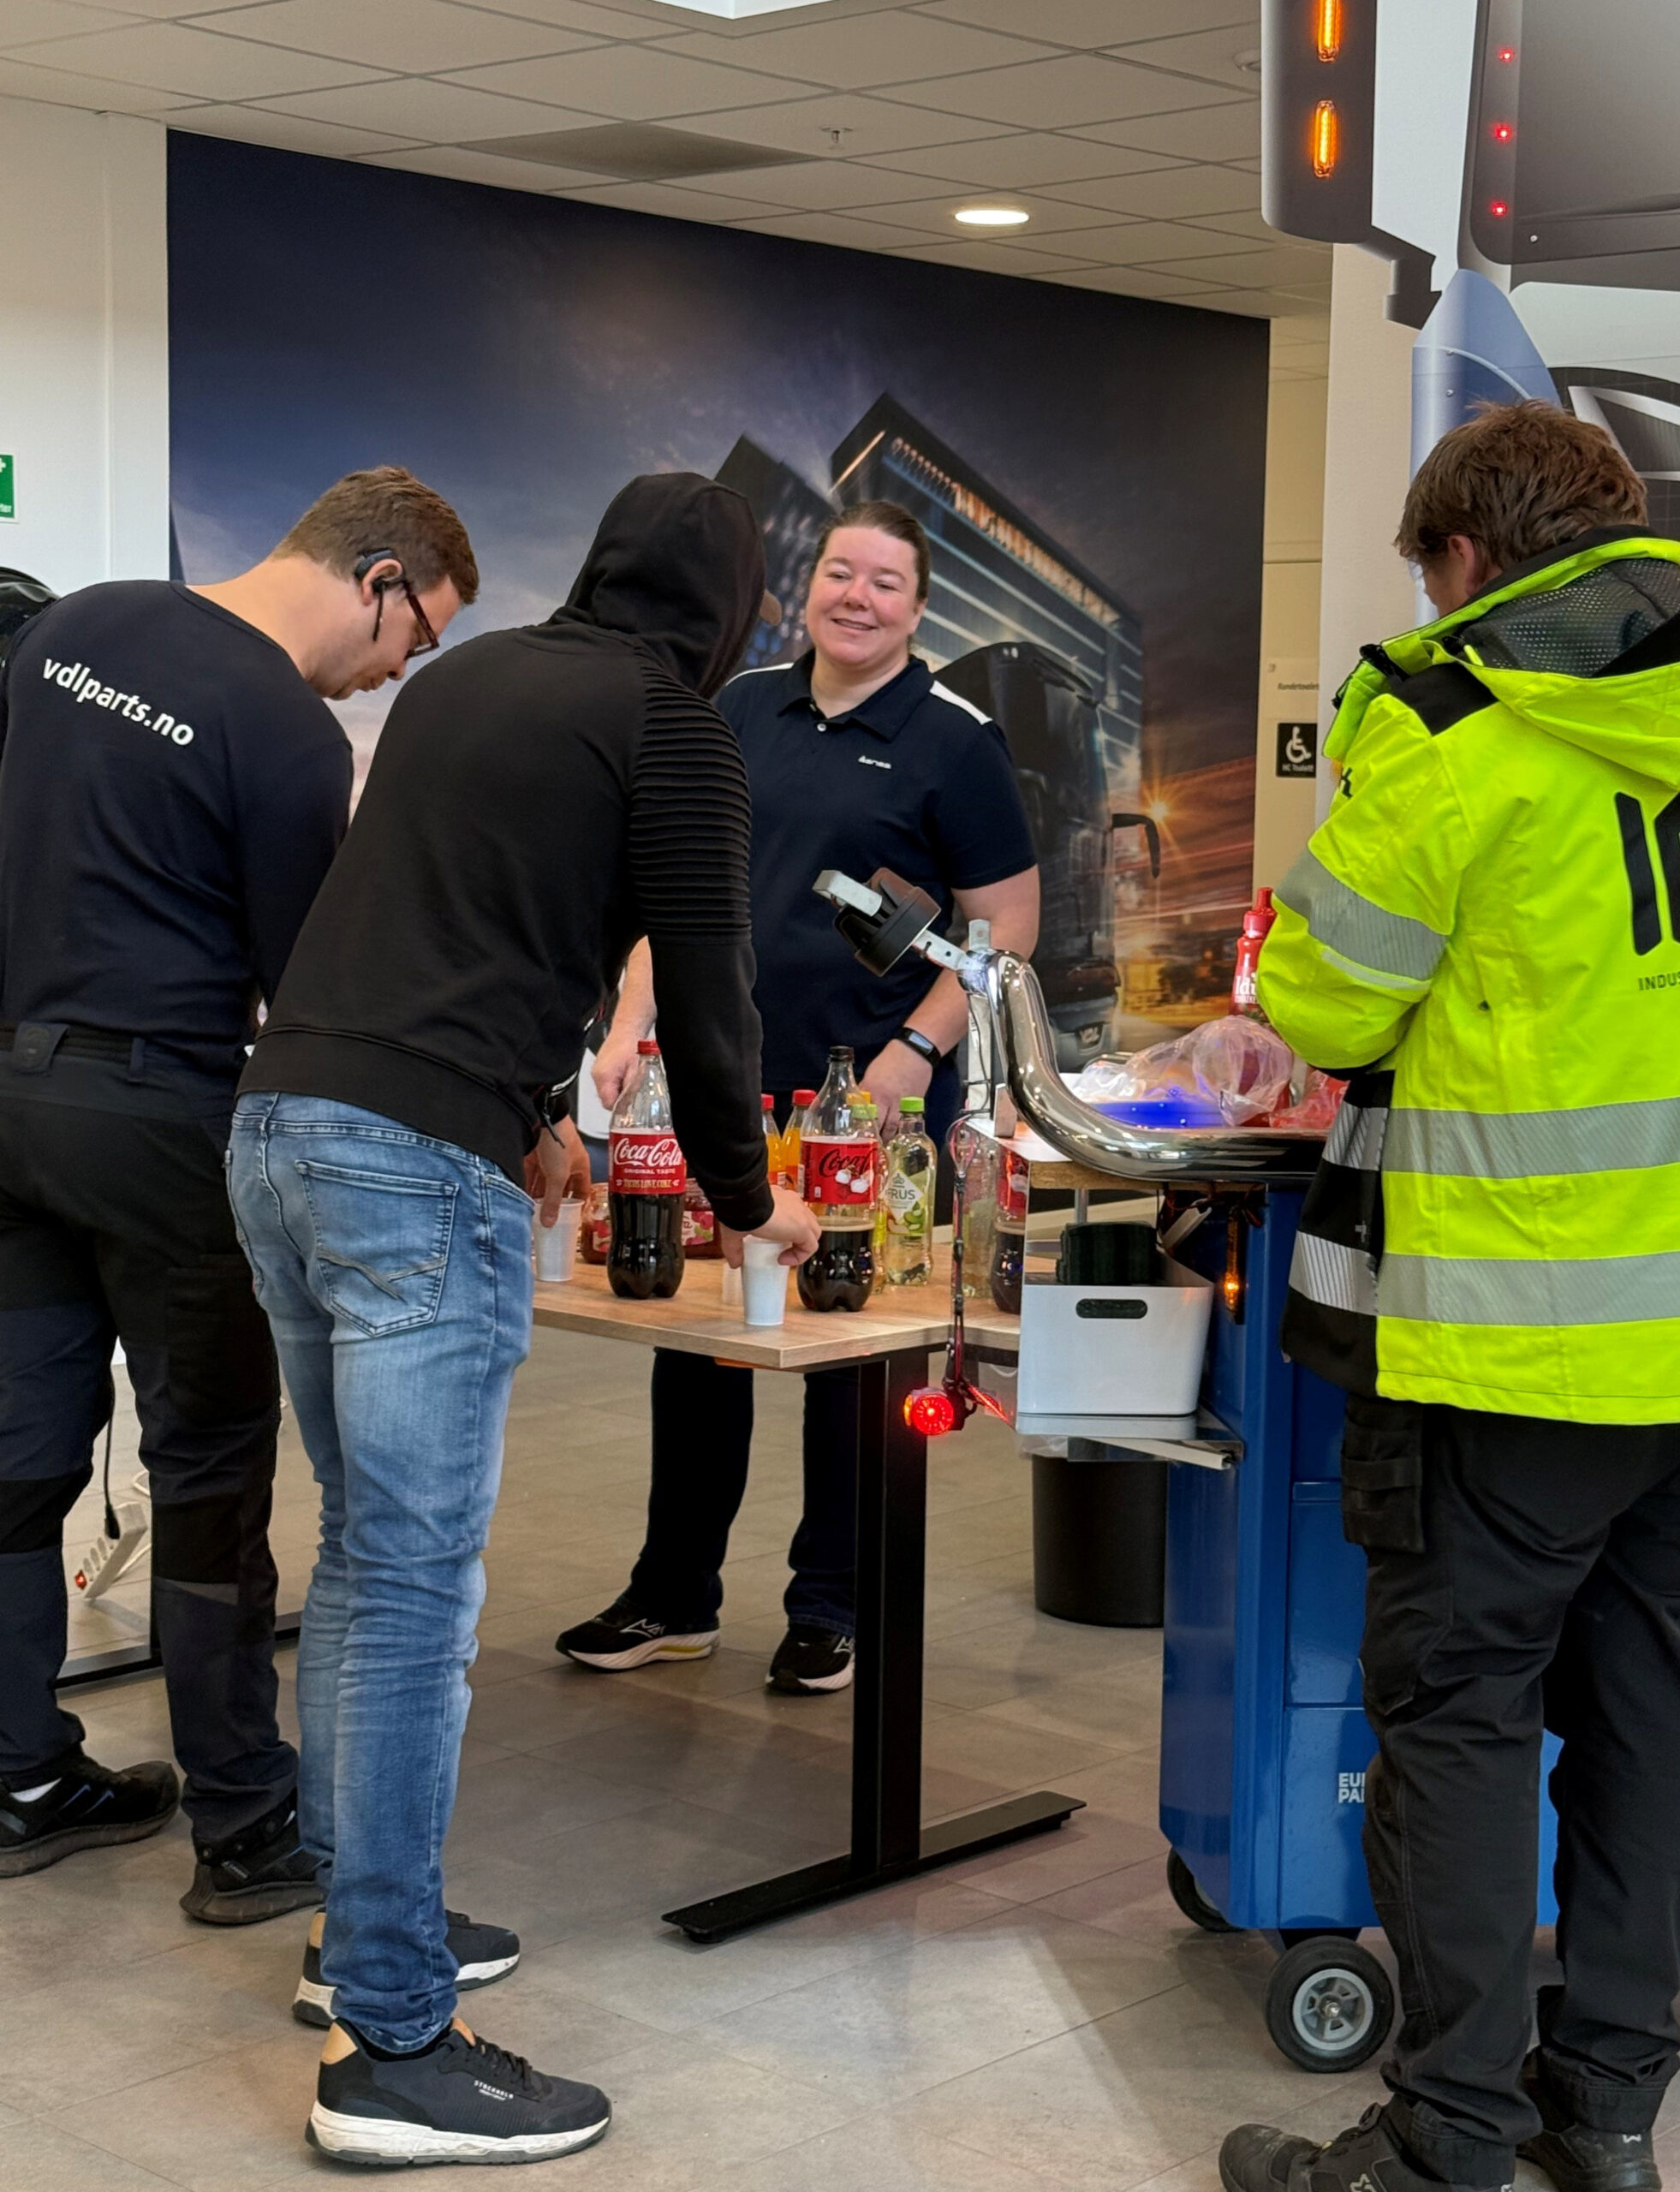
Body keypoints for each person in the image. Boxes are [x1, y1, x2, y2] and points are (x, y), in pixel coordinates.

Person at [1218, 402, 1680, 2192]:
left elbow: (1319, 1003)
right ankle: (1602, 2118)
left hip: (1519, 1342)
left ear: (1461, 560)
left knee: (1457, 1721)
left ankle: (1440, 2138)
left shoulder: (1455, 738)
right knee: (1650, 1705)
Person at [229, 472, 819, 2169]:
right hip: (410, 1168)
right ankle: (394, 2042)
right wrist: (742, 1181)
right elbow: (709, 989)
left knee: (364, 1556)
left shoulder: (469, 675)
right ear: (723, 607)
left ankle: (362, 1934)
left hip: (282, 1125)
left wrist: (536, 1104)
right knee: (416, 1589)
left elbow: (464, 917)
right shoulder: (669, 717)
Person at [0, 468, 474, 1918]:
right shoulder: (281, 723)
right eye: (418, 637)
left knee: (19, 1450)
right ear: (381, 579)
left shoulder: (70, 629)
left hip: (12, 1098)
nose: (399, 670)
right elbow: (307, 982)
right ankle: (246, 1825)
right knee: (210, 1466)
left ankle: (19, 1773)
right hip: (162, 1118)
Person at [556, 501, 1039, 1697]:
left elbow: (1008, 926)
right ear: (805, 589)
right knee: (701, 1338)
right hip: (725, 1087)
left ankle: (835, 1605)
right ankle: (675, 1597)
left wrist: (919, 1051)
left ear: (919, 609)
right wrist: (630, 1025)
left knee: (847, 1356)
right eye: (838, 573)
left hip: (864, 1103)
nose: (857, 597)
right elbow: (669, 891)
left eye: (885, 582)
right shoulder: (734, 712)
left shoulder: (955, 741)